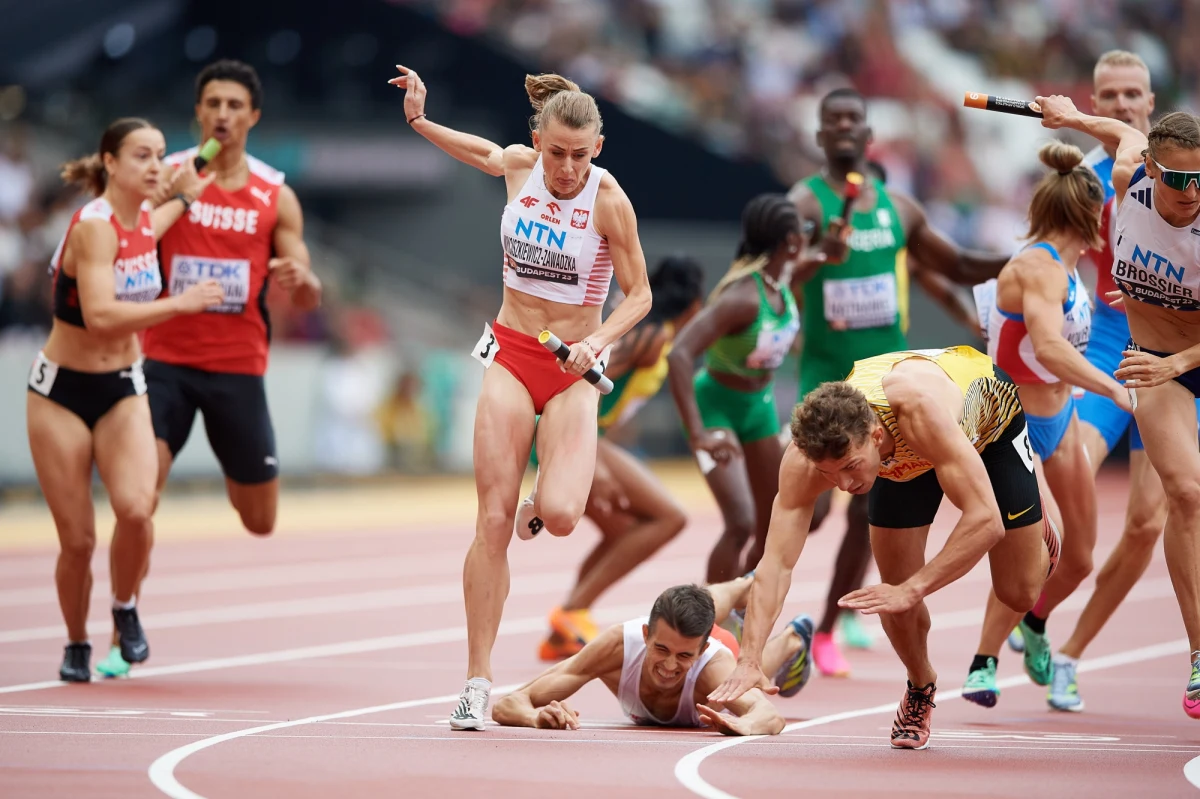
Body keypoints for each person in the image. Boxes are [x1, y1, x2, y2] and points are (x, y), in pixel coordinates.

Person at [393, 65, 652, 730]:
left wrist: (601, 342)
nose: (564, 168)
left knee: (563, 515)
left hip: (573, 369)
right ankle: (478, 680)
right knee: (490, 521)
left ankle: (542, 499)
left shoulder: (608, 199)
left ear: (596, 149)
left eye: (578, 155)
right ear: (537, 141)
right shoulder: (518, 166)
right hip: (510, 353)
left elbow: (641, 295)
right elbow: (479, 150)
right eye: (554, 153)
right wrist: (420, 121)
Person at [709, 345, 1062, 749]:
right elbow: (775, 564)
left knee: (1017, 591)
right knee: (891, 594)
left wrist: (916, 587)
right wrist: (751, 658)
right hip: (900, 464)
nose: (843, 486)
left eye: (849, 468)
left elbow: (985, 521)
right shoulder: (803, 459)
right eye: (829, 474)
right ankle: (919, 686)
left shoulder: (918, 412)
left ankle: (1040, 520)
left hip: (986, 424)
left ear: (876, 436)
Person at [94, 59, 323, 679]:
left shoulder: (276, 195)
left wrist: (301, 281)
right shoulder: (166, 177)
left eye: (234, 104)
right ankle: (124, 618)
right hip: (163, 363)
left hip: (237, 370)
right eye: (212, 103)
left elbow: (304, 285)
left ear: (253, 117)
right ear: (199, 112)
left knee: (260, 519)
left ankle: (235, 462)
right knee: (138, 503)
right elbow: (115, 236)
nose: (223, 113)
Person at [787, 88, 1008, 678]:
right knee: (805, 512)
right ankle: (752, 606)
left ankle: (829, 629)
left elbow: (957, 265)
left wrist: (1023, 256)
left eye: (851, 118)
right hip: (826, 376)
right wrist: (816, 256)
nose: (841, 127)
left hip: (886, 385)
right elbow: (776, 268)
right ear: (819, 136)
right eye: (830, 120)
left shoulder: (899, 208)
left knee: (866, 508)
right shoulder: (804, 202)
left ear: (866, 134)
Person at [28, 118, 221, 681]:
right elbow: (102, 317)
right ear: (110, 162)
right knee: (79, 539)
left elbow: (186, 189)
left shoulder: (147, 222)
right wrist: (178, 306)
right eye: (142, 155)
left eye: (160, 155)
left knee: (137, 510)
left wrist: (217, 139)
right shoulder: (95, 227)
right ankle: (74, 643)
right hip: (61, 391)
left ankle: (125, 606)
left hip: (122, 388)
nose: (155, 166)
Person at [1029, 52, 1186, 714]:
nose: (1122, 104)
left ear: (1151, 101)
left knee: (1150, 520)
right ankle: (1029, 607)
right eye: (1109, 94)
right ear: (1094, 97)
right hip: (1105, 346)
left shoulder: (1181, 174)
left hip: (1171, 357)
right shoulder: (1087, 182)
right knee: (1069, 479)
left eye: (1132, 94)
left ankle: (1067, 652)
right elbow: (1043, 257)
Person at [962, 141, 1129, 708]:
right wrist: (1112, 388)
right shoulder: (1037, 268)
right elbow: (1053, 350)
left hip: (1058, 418)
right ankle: (983, 661)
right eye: (1110, 210)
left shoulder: (1070, 265)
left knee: (1081, 556)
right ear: (1090, 218)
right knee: (1033, 558)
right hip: (1011, 426)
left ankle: (1033, 623)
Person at [539, 255, 705, 661]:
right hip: (571, 433)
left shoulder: (649, 332)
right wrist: (593, 460)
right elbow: (581, 379)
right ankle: (572, 611)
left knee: (624, 531)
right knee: (669, 517)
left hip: (588, 433)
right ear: (695, 307)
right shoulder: (648, 338)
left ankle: (567, 624)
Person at [666, 194, 806, 587]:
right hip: (716, 407)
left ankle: (740, 610)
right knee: (741, 523)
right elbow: (679, 355)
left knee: (772, 524)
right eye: (804, 231)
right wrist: (697, 433)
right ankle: (705, 624)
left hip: (758, 407)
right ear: (790, 242)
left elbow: (824, 256)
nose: (808, 238)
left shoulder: (786, 280)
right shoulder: (743, 298)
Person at [494, 579, 814, 733]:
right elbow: (508, 704)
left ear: (700, 651)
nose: (670, 666)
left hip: (718, 654)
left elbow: (770, 716)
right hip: (686, 635)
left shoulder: (712, 664)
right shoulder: (618, 645)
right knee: (695, 602)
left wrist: (744, 725)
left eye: (683, 656)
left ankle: (791, 640)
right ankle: (743, 585)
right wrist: (534, 717)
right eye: (661, 649)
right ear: (646, 635)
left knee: (746, 669)